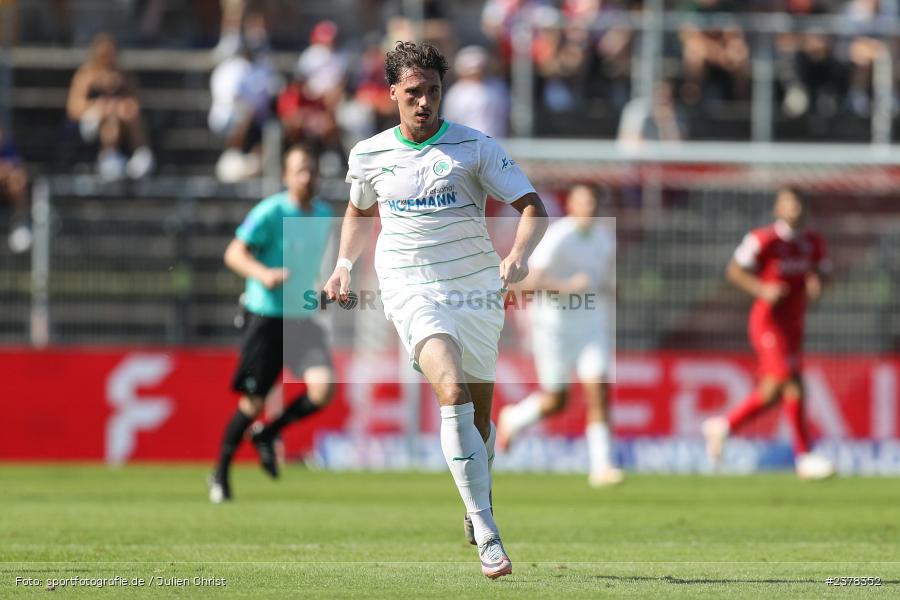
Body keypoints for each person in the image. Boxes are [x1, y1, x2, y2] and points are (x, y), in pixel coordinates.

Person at [323, 41, 547, 579]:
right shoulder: (369, 154)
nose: (425, 102)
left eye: (434, 92)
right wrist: (344, 265)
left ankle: (478, 494)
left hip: (475, 288)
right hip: (409, 287)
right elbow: (359, 213)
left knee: (480, 417)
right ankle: (486, 528)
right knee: (451, 390)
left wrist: (517, 255)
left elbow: (533, 208)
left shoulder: (475, 147)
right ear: (393, 92)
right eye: (415, 92)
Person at [209, 144, 336, 503]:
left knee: (323, 389)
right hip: (265, 316)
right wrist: (262, 273)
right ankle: (220, 473)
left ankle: (268, 434)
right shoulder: (271, 211)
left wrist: (321, 291)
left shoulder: (324, 215)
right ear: (286, 176)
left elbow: (312, 265)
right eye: (300, 170)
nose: (307, 177)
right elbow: (233, 253)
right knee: (252, 402)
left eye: (311, 170)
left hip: (300, 317)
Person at [703, 187, 835, 480]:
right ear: (777, 209)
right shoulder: (763, 240)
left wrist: (818, 284)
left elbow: (823, 273)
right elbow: (734, 271)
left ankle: (723, 426)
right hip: (768, 322)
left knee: (773, 391)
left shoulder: (813, 242)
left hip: (794, 323)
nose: (793, 209)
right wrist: (762, 289)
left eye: (798, 204)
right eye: (787, 204)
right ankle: (804, 456)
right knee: (793, 383)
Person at [496, 185, 623, 487]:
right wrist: (567, 287)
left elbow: (606, 280)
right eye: (583, 202)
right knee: (557, 400)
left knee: (598, 390)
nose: (589, 208)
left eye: (593, 202)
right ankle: (513, 419)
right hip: (554, 328)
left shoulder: (605, 239)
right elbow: (527, 285)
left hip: (591, 326)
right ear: (572, 206)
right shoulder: (557, 238)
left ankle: (602, 466)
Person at [66, 33, 155, 181]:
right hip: (91, 124)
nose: (107, 58)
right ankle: (109, 156)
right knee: (110, 119)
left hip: (121, 122)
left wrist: (120, 105)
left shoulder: (124, 76)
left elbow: (135, 102)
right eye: (103, 55)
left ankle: (142, 155)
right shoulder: (86, 75)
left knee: (130, 112)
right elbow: (73, 108)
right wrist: (101, 107)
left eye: (110, 54)